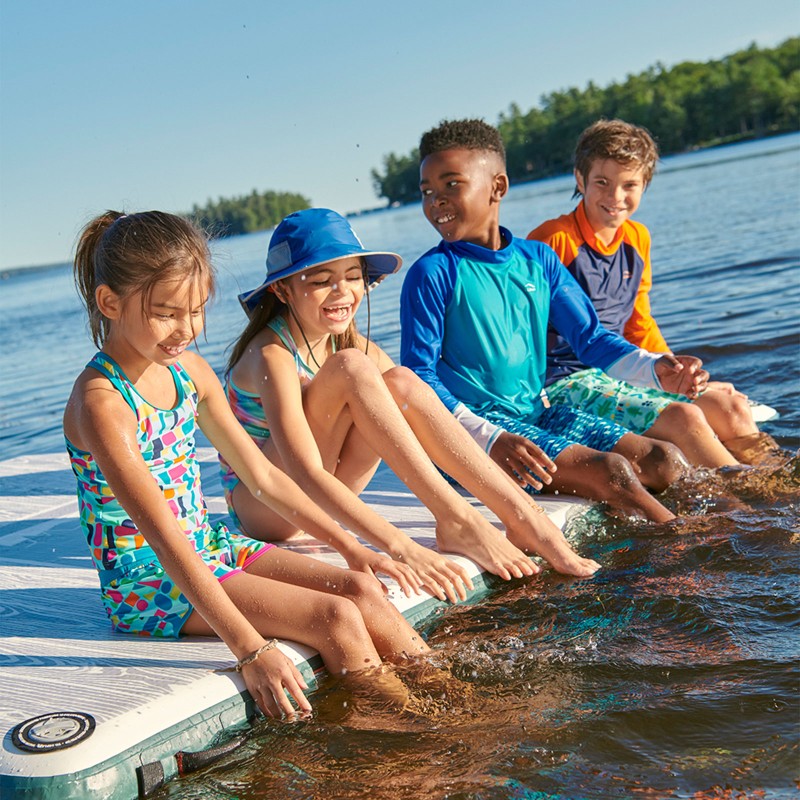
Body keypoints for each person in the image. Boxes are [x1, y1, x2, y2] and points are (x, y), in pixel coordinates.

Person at [64, 210, 430, 720]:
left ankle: (445, 699)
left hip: (211, 546)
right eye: (167, 313)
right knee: (335, 617)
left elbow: (262, 478)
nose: (186, 330)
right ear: (110, 302)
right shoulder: (103, 405)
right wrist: (251, 650)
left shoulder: (188, 372)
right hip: (150, 581)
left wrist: (351, 547)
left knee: (360, 587)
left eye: (196, 311)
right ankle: (408, 735)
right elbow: (166, 543)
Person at [224, 208, 600, 584]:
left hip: (324, 494)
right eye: (322, 281)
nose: (342, 292)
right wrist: (399, 546)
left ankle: (522, 517)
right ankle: (457, 519)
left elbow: (426, 410)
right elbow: (303, 473)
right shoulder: (271, 354)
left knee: (400, 381)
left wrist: (498, 449)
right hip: (268, 509)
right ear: (281, 289)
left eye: (353, 277)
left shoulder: (348, 343)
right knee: (352, 367)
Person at [400, 118, 703, 523]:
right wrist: (491, 438)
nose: (435, 200)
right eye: (427, 191)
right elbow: (418, 378)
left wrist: (654, 369)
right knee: (613, 472)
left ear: (498, 187)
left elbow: (591, 338)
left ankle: (737, 522)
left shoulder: (538, 261)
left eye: (451, 184)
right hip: (469, 438)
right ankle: (693, 547)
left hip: (533, 414)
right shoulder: (433, 273)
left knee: (664, 459)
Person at [527, 119, 781, 467]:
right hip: (565, 383)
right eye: (602, 182)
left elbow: (638, 324)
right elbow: (520, 328)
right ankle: (748, 506)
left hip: (625, 372)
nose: (616, 197)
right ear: (579, 179)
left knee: (732, 407)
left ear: (644, 185)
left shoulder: (637, 238)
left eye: (629, 184)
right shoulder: (552, 240)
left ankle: (781, 486)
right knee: (685, 418)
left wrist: (677, 375)